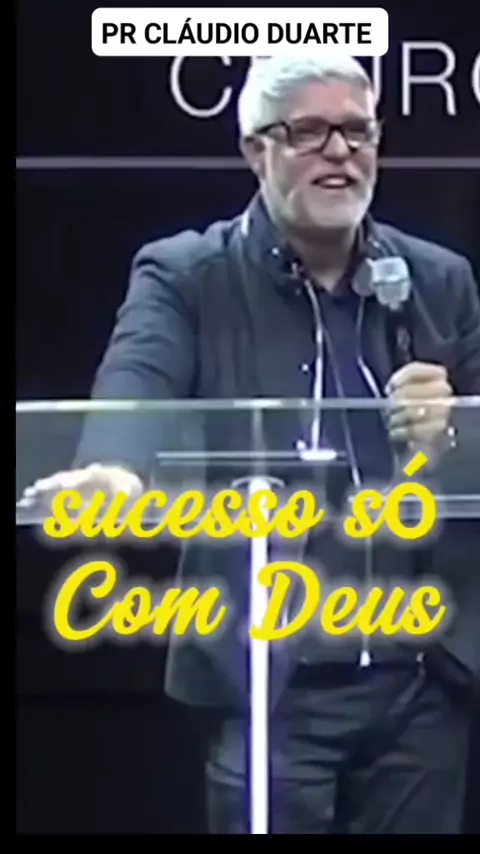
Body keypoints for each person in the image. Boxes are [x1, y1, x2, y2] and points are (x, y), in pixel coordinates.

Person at [23, 55, 480, 833]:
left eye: (357, 131)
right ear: (254, 150)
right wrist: (113, 468)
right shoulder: (188, 274)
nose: (340, 152)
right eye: (309, 132)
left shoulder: (438, 279)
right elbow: (140, 378)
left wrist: (458, 429)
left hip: (421, 683)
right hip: (270, 686)